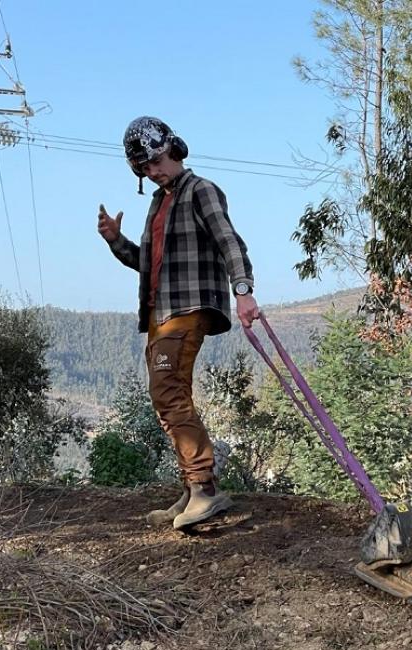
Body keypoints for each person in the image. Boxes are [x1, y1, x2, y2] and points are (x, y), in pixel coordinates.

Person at [97, 116, 259, 531]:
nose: (152, 172)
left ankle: (204, 489)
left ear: (171, 148)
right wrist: (116, 240)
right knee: (169, 400)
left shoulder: (200, 190)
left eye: (154, 162)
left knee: (167, 393)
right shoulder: (159, 202)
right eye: (144, 169)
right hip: (160, 312)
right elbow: (148, 266)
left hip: (188, 308)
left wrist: (243, 291)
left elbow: (229, 242)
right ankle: (193, 489)